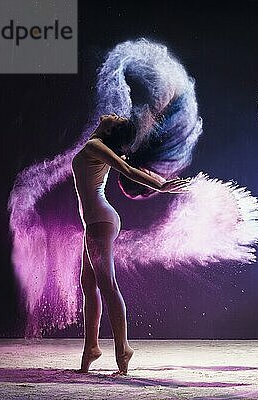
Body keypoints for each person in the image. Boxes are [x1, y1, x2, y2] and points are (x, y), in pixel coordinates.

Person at [72, 113, 189, 375]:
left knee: (107, 285)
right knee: (88, 283)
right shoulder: (97, 146)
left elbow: (126, 170)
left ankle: (123, 349)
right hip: (95, 222)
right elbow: (126, 165)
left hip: (100, 221)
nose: (113, 114)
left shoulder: (95, 146)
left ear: (110, 131)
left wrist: (161, 186)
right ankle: (91, 346)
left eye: (116, 119)